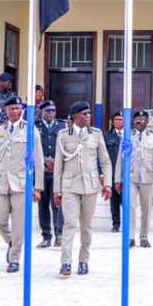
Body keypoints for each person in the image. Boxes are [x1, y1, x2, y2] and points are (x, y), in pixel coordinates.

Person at [52, 101, 111, 276]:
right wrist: (56, 190)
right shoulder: (63, 135)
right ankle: (66, 262)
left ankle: (84, 260)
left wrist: (107, 184)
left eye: (89, 113)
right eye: (84, 113)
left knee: (86, 226)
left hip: (90, 187)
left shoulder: (96, 134)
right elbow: (58, 165)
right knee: (70, 224)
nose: (88, 116)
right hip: (69, 186)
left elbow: (105, 162)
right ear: (75, 116)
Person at [0, 96, 41, 273]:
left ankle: (15, 258)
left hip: (21, 184)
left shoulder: (30, 130)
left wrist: (38, 187)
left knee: (19, 224)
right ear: (6, 110)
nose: (15, 111)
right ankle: (11, 241)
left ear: (22, 110)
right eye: (12, 108)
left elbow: (38, 160)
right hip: (1, 183)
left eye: (18, 108)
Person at [117, 110, 153, 248]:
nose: (139, 121)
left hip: (148, 177)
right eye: (137, 119)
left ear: (147, 121)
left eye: (142, 118)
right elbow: (120, 159)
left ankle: (144, 236)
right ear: (133, 121)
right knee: (130, 207)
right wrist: (118, 179)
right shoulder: (127, 137)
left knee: (146, 209)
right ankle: (130, 237)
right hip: (131, 177)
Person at [36, 100, 65, 247]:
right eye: (48, 110)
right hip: (41, 171)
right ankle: (46, 236)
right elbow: (31, 148)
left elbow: (66, 147)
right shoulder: (35, 126)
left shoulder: (62, 126)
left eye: (53, 110)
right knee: (43, 205)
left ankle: (59, 234)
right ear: (41, 111)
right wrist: (43, 161)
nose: (51, 113)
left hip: (57, 171)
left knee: (57, 203)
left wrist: (56, 162)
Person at [103, 111, 125, 232]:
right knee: (114, 200)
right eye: (116, 119)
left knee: (126, 200)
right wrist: (102, 173)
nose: (118, 121)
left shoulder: (130, 135)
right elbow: (102, 155)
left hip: (126, 173)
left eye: (120, 119)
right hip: (112, 172)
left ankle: (127, 224)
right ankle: (116, 224)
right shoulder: (106, 136)